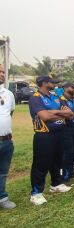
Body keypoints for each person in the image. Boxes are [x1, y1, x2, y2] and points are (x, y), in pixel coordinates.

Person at [29, 75, 74, 205]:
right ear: (44, 83)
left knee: (57, 161)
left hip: (60, 133)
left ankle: (56, 184)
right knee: (41, 164)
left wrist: (55, 114)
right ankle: (36, 193)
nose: (55, 84)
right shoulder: (35, 98)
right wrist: (60, 114)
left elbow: (70, 114)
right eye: (52, 82)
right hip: (44, 135)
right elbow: (44, 116)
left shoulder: (55, 97)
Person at [0, 64, 16, 209]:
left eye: (3, 71)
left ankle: (2, 197)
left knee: (3, 171)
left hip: (6, 140)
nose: (2, 74)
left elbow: (10, 113)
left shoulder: (8, 94)